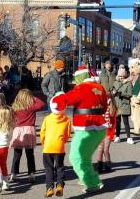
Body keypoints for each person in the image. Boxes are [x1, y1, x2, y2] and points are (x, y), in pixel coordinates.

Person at [51, 65, 108, 193]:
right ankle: (85, 178)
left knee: (76, 157)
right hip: (100, 128)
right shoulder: (99, 88)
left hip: (86, 127)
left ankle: (92, 182)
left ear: (79, 78)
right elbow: (104, 108)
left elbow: (66, 99)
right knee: (84, 157)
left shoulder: (81, 88)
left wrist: (55, 100)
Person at [10, 89, 45, 182]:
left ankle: (14, 173)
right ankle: (31, 173)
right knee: (30, 154)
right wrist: (33, 97)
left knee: (17, 154)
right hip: (29, 129)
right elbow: (42, 103)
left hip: (18, 130)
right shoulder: (31, 107)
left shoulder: (15, 107)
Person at [40, 92, 71, 197]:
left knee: (48, 168)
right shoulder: (67, 120)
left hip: (48, 147)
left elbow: (42, 132)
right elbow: (67, 134)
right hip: (59, 147)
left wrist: (44, 142)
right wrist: (62, 141)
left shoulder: (47, 118)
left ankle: (49, 188)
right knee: (60, 167)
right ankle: (59, 185)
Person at [113, 68, 134, 144]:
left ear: (125, 76)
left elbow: (130, 94)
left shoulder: (128, 83)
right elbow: (112, 92)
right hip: (117, 105)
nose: (121, 77)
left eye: (122, 76)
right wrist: (113, 93)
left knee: (126, 122)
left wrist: (121, 94)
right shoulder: (115, 83)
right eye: (120, 76)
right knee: (117, 122)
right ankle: (117, 136)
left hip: (124, 105)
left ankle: (129, 138)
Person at [96, 96, 117, 173]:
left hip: (108, 133)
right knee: (100, 149)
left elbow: (113, 122)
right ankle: (99, 166)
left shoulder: (112, 110)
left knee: (106, 149)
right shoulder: (100, 109)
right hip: (100, 132)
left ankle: (108, 165)